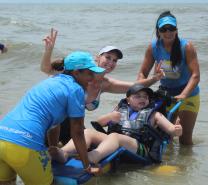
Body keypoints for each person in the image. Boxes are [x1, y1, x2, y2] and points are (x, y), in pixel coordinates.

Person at [41, 28, 165, 145]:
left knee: (92, 147)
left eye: (115, 60)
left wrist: (155, 78)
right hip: (51, 122)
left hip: (74, 126)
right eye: (108, 57)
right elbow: (47, 69)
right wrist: (48, 51)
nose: (111, 62)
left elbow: (135, 86)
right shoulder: (79, 71)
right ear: (97, 57)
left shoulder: (106, 84)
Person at [0, 51, 104, 185]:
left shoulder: (50, 81)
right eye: (90, 73)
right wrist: (87, 166)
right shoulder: (75, 89)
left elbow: (54, 123)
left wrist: (53, 148)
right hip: (25, 144)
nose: (92, 77)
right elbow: (77, 131)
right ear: (76, 72)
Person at [49, 84, 182, 164]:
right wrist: (109, 116)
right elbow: (98, 123)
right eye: (138, 96)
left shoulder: (154, 114)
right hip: (116, 142)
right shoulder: (120, 109)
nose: (142, 99)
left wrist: (177, 130)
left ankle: (94, 156)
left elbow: (171, 130)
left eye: (145, 97)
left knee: (114, 136)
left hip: (141, 148)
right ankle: (63, 153)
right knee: (87, 132)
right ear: (128, 100)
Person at [137, 11, 200, 145]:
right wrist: (139, 90)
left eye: (171, 28)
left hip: (188, 94)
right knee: (165, 137)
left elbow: (196, 76)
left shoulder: (186, 47)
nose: (168, 32)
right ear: (158, 31)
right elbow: (142, 72)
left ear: (176, 30)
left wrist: (183, 94)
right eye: (164, 29)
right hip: (166, 94)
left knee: (184, 139)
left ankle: (187, 165)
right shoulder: (153, 47)